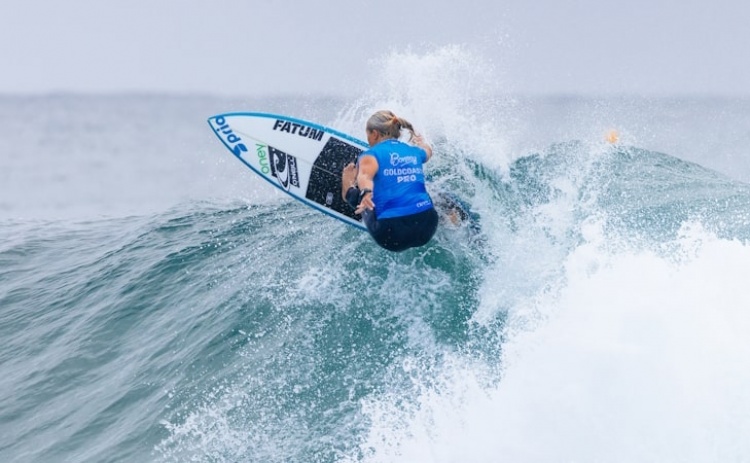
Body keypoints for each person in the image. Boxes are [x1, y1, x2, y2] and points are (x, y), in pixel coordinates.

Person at [341, 110, 438, 252]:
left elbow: (365, 176)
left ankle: (348, 187)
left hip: (392, 234)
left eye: (367, 134)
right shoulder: (413, 151)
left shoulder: (371, 154)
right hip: (427, 227)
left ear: (374, 134)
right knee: (420, 188)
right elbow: (428, 151)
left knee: (354, 197)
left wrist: (363, 190)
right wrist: (421, 142)